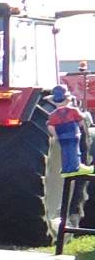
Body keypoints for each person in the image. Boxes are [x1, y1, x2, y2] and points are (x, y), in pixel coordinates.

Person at [49, 85, 88, 226]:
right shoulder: (73, 110)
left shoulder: (53, 114)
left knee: (67, 152)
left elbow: (51, 126)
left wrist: (56, 136)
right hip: (72, 135)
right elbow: (82, 120)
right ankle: (75, 167)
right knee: (75, 152)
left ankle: (67, 168)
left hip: (62, 137)